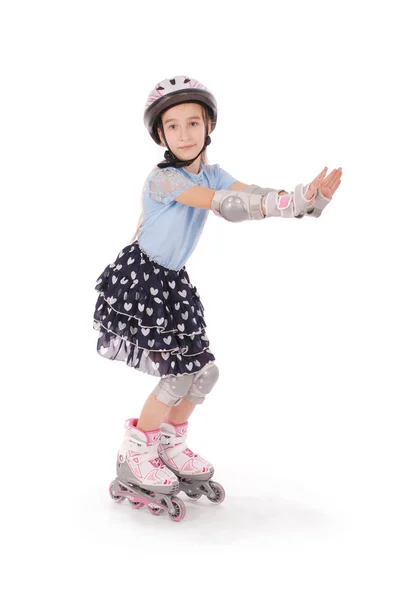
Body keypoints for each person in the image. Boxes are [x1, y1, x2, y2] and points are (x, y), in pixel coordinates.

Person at [93, 75, 342, 517]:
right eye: (173, 126)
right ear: (160, 135)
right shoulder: (164, 181)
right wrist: (289, 201)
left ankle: (169, 446)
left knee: (203, 373)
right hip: (143, 281)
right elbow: (224, 205)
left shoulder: (213, 171)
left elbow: (253, 195)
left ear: (209, 126)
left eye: (194, 123)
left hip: (172, 282)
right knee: (175, 376)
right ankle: (135, 454)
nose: (185, 134)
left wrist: (308, 199)